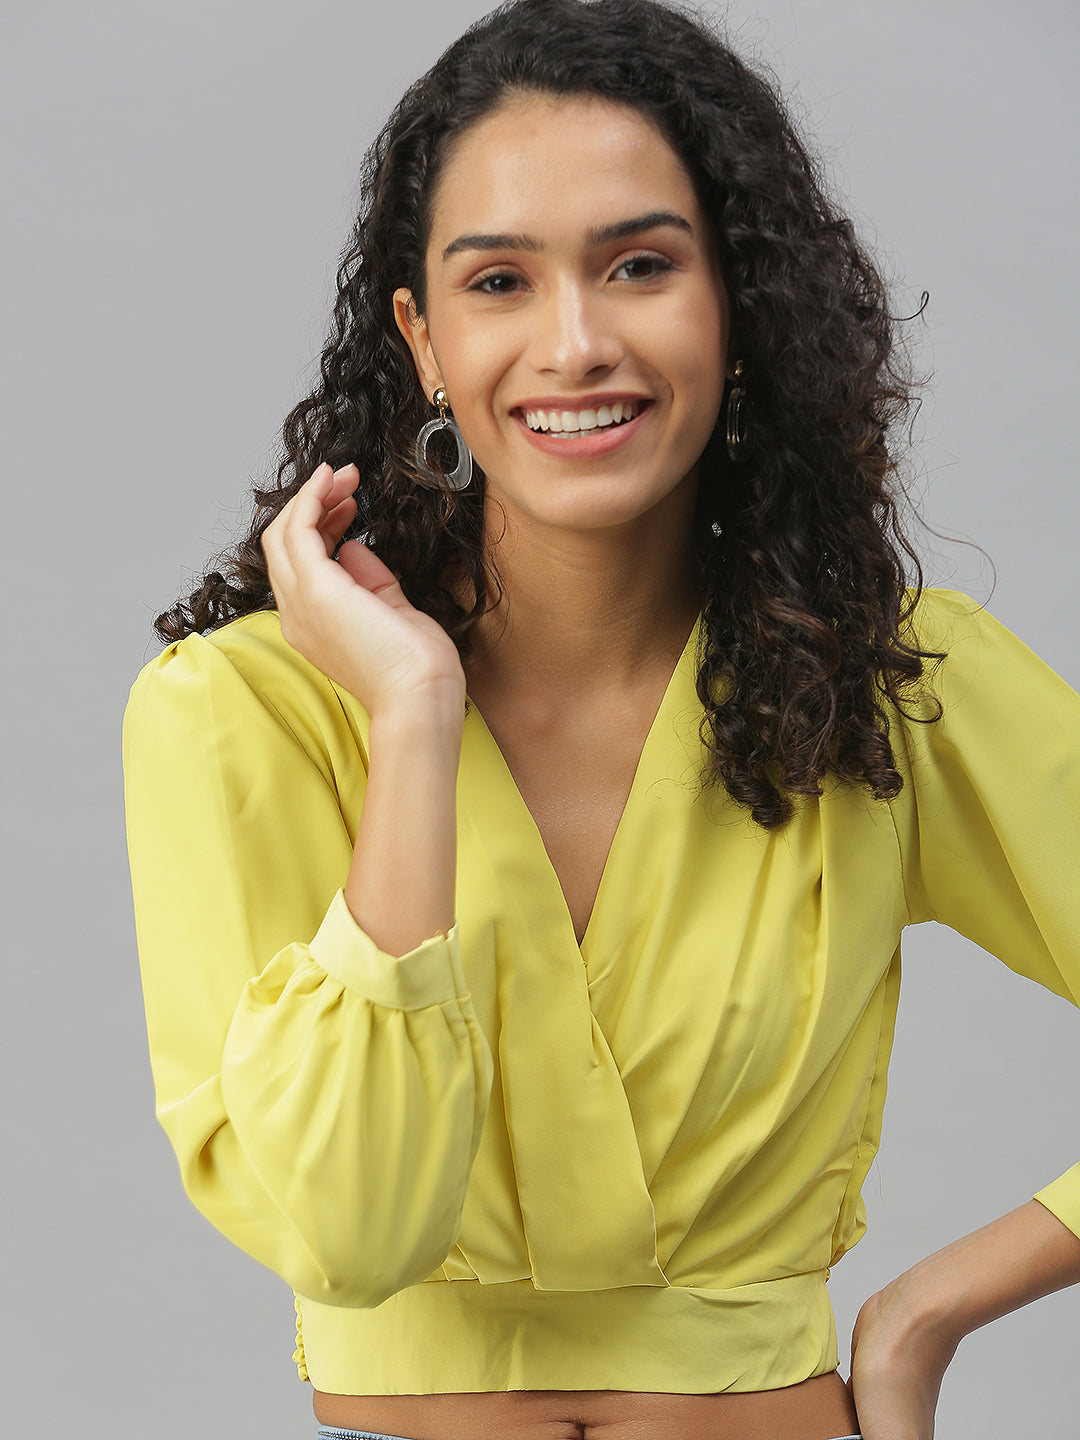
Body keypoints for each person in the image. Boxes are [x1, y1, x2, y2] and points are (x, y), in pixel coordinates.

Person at [122, 1, 1080, 1437]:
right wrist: (414, 717)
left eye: (640, 265)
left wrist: (925, 1315)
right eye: (499, 281)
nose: (574, 344)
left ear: (737, 307)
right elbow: (353, 1233)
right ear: (423, 338)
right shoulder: (239, 715)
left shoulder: (887, 680)